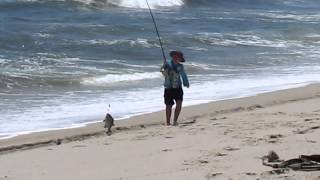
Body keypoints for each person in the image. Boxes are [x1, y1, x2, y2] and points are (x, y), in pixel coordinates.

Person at [161, 51, 189, 126]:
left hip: (178, 87)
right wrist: (164, 67)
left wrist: (186, 83)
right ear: (173, 56)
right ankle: (167, 122)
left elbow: (183, 75)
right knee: (168, 105)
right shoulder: (167, 63)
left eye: (179, 57)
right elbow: (163, 72)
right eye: (176, 56)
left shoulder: (180, 66)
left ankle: (175, 120)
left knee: (179, 103)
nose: (177, 58)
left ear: (180, 59)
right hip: (168, 87)